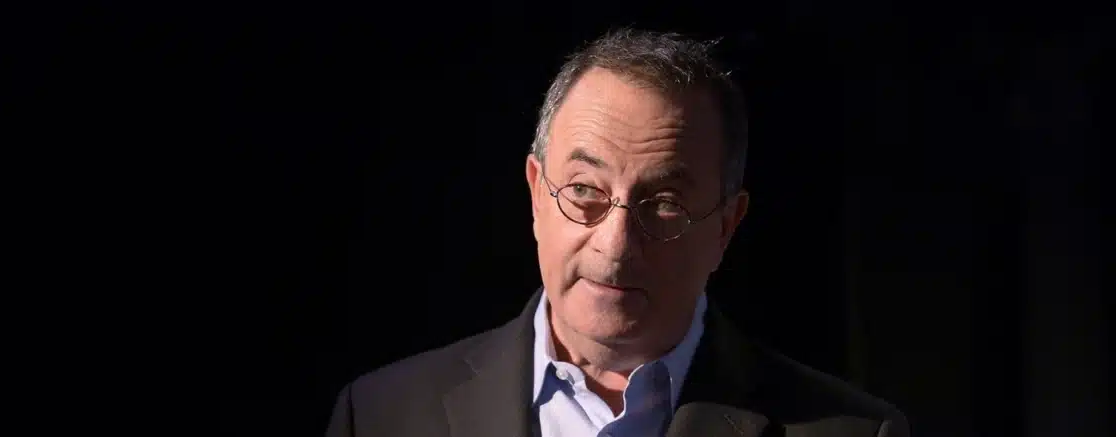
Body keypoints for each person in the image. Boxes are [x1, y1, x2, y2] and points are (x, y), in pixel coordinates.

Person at [325, 28, 909, 437]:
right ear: (537, 194)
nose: (616, 244)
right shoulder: (381, 416)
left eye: (665, 203)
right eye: (584, 191)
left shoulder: (850, 430)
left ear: (726, 227)